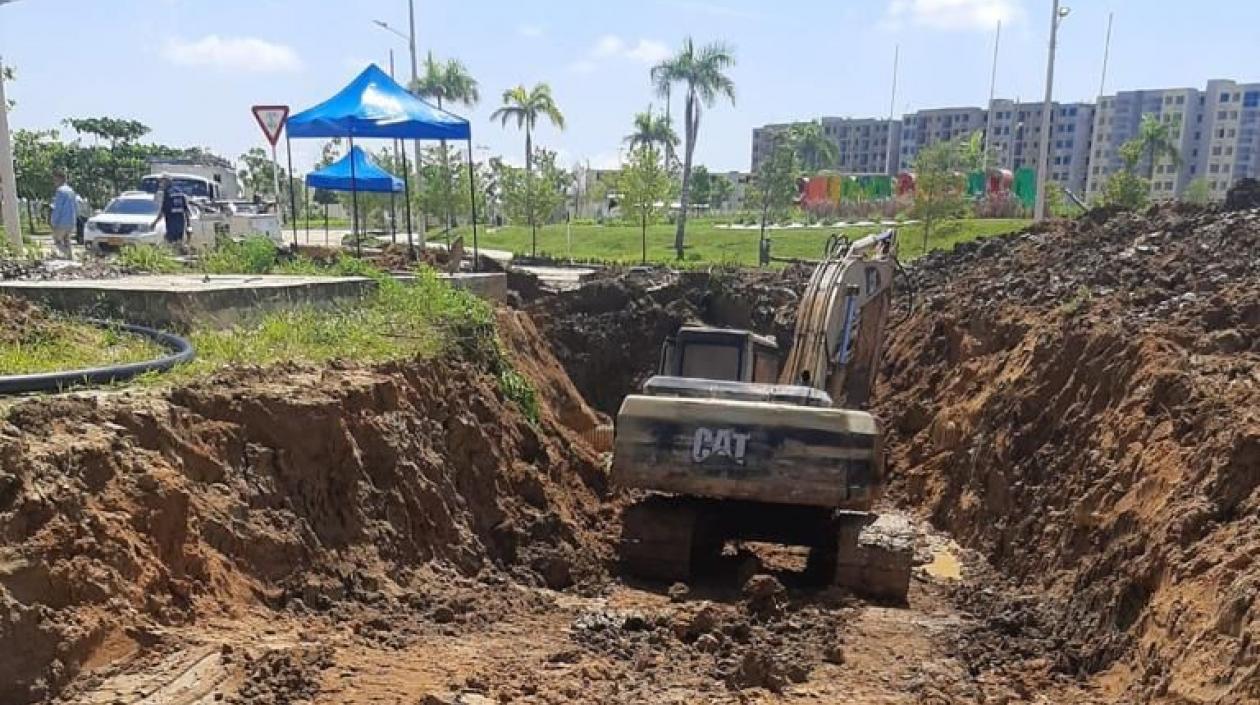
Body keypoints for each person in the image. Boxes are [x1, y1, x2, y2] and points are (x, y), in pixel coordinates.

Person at [151, 174, 190, 251]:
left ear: (167, 181)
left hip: (171, 223)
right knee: (178, 243)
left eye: (162, 181)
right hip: (181, 223)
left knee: (169, 243)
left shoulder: (167, 193)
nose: (160, 184)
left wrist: (154, 223)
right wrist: (188, 224)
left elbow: (163, 211)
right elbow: (186, 209)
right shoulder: (180, 192)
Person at [50, 169, 78, 259]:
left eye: (55, 180)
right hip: (71, 221)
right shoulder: (71, 191)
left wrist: (53, 222)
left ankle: (67, 253)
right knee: (66, 240)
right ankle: (70, 257)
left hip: (62, 221)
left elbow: (58, 208)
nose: (54, 182)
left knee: (57, 240)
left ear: (60, 179)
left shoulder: (60, 191)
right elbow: (75, 206)